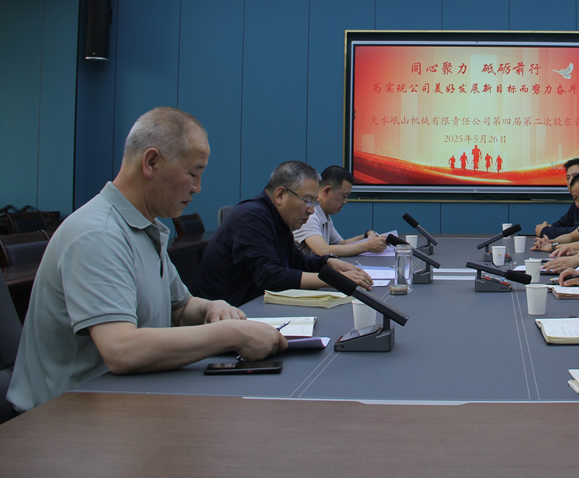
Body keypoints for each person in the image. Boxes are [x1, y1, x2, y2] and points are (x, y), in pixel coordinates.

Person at [6, 108, 286, 413]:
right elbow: (121, 350)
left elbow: (180, 309)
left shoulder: (144, 227)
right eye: (193, 173)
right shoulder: (98, 234)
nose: (198, 187)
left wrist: (211, 308)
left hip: (118, 401)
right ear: (151, 163)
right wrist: (230, 334)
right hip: (62, 418)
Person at [193, 161, 373, 306]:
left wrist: (328, 263)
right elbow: (270, 276)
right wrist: (334, 279)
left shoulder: (279, 220)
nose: (311, 210)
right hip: (222, 316)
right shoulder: (252, 217)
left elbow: (296, 261)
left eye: (314, 203)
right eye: (308, 201)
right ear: (280, 195)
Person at [293, 165, 387, 258]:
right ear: (327, 191)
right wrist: (367, 246)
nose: (345, 202)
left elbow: (342, 244)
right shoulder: (309, 216)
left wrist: (366, 236)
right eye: (344, 196)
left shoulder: (324, 215)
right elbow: (323, 251)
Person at [534, 157, 579, 238]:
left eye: (575, 176)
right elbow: (562, 224)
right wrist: (548, 229)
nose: (570, 181)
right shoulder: (577, 203)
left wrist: (545, 231)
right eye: (568, 178)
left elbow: (578, 232)